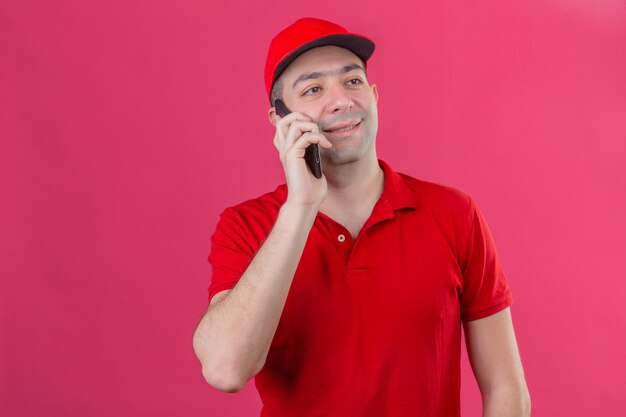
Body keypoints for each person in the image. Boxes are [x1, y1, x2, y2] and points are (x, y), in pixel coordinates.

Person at [193, 17, 530, 417]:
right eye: (314, 89)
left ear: (373, 94)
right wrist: (301, 206)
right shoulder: (246, 227)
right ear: (279, 120)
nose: (341, 101)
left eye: (351, 82)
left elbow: (507, 389)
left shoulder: (456, 213)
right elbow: (225, 369)